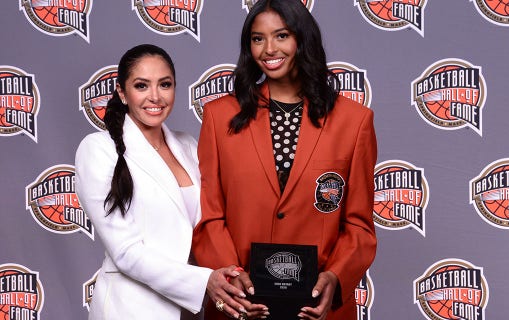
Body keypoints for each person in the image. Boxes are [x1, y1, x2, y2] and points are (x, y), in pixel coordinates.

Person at [192, 1, 378, 319]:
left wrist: (335, 277)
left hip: (315, 307)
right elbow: (209, 215)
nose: (268, 49)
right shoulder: (219, 115)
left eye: (281, 35)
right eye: (257, 38)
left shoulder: (354, 120)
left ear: (302, 40)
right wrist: (232, 277)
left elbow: (358, 225)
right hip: (241, 304)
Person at [75, 44, 249, 320]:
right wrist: (203, 281)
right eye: (141, 86)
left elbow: (211, 224)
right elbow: (126, 252)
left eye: (164, 84)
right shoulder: (98, 149)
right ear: (122, 92)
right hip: (130, 309)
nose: (155, 97)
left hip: (190, 309)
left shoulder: (188, 145)